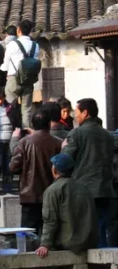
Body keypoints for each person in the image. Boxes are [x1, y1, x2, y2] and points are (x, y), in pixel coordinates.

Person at [61, 98, 116, 247]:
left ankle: (92, 268)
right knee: (101, 229)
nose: (75, 116)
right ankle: (103, 266)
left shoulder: (77, 133)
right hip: (105, 189)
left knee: (85, 231)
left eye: (77, 112)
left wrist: (64, 147)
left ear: (85, 113)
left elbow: (64, 161)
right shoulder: (108, 135)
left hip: (84, 189)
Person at [9, 110, 62, 233]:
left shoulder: (24, 142)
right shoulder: (58, 143)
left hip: (30, 195)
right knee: (50, 232)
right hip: (52, 194)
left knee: (28, 235)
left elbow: (13, 167)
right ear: (49, 124)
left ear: (32, 125)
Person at [37, 153, 98, 257]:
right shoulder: (84, 187)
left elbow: (50, 220)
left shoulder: (53, 190)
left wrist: (45, 244)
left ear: (54, 170)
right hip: (88, 242)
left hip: (68, 244)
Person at [2, 19, 39, 129]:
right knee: (26, 109)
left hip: (14, 78)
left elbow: (6, 63)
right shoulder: (35, 45)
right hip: (28, 80)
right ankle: (26, 133)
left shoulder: (13, 44)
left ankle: (11, 130)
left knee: (9, 106)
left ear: (18, 30)